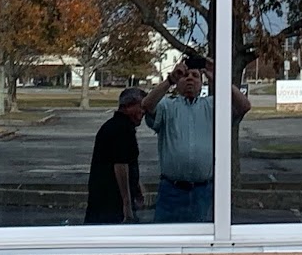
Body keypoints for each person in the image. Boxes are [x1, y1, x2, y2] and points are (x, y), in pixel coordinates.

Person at [139, 53, 250, 222]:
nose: (190, 78)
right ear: (178, 82)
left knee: (202, 235)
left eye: (195, 76)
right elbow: (146, 105)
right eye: (185, 75)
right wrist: (170, 80)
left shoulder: (212, 106)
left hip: (202, 192)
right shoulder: (167, 107)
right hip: (171, 191)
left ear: (201, 83)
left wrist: (219, 77)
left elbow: (244, 106)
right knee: (168, 235)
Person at [84, 87, 147, 224]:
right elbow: (121, 165)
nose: (144, 112)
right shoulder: (122, 129)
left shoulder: (115, 126)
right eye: (141, 107)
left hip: (102, 198)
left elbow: (128, 162)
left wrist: (137, 186)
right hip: (111, 201)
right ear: (128, 106)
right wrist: (127, 204)